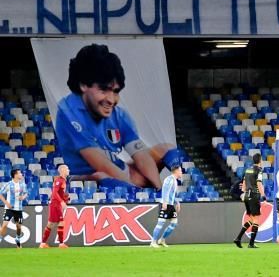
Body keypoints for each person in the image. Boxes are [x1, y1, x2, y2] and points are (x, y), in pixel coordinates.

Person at [54, 44, 178, 190]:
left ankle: (181, 187)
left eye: (116, 91)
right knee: (100, 175)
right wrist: (137, 189)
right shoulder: (68, 112)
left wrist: (159, 189)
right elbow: (102, 165)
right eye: (104, 90)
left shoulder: (119, 115)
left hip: (121, 170)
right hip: (89, 178)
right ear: (83, 85)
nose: (111, 100)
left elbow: (141, 155)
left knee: (166, 148)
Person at [234, 153, 265, 248]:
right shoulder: (259, 170)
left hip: (247, 196)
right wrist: (263, 195)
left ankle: (238, 238)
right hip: (254, 195)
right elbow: (259, 183)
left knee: (251, 219)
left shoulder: (248, 169)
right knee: (256, 220)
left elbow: (244, 183)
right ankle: (251, 243)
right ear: (260, 160)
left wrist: (244, 193)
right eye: (262, 159)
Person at [150, 164, 182, 248]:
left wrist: (177, 202)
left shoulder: (175, 180)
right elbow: (165, 190)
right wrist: (164, 202)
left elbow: (172, 194)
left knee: (174, 223)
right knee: (161, 222)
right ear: (176, 171)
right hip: (165, 204)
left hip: (170, 205)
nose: (181, 172)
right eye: (180, 170)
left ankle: (162, 240)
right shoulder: (169, 179)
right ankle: (153, 242)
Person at [40, 164, 70, 248]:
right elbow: (54, 193)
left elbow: (58, 193)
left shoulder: (63, 180)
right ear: (62, 170)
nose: (68, 170)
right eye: (67, 169)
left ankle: (43, 244)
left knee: (51, 224)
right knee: (60, 222)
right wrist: (61, 202)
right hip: (55, 204)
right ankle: (61, 244)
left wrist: (64, 197)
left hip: (56, 204)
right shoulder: (59, 180)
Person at [0, 168, 27, 248]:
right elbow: (0, 194)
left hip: (18, 209)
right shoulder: (8, 184)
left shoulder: (22, 184)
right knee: (4, 225)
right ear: (15, 175)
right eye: (20, 173)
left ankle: (17, 239)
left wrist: (23, 197)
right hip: (9, 209)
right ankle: (0, 238)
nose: (21, 174)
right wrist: (6, 203)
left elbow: (26, 193)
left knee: (19, 227)